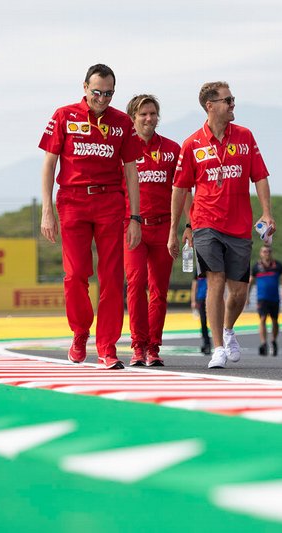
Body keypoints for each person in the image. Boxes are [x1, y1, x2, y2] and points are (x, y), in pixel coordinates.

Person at [39, 64, 143, 370]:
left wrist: (134, 217)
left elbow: (131, 171)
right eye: (97, 92)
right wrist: (47, 210)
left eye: (108, 93)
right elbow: (49, 164)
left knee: (112, 278)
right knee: (75, 275)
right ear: (85, 87)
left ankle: (107, 347)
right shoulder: (64, 115)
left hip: (110, 201)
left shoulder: (122, 122)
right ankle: (80, 331)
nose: (102, 98)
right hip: (71, 201)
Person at [168, 81, 275, 369]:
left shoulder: (245, 136)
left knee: (239, 291)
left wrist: (266, 213)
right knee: (214, 281)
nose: (232, 105)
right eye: (227, 100)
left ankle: (228, 330)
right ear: (210, 106)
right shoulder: (192, 144)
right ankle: (217, 347)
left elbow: (260, 177)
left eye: (232, 99)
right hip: (205, 223)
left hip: (239, 226)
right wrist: (175, 230)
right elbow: (180, 189)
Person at [123, 94, 180, 367]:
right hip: (133, 228)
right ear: (132, 117)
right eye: (143, 114)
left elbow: (183, 191)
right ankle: (137, 346)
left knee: (159, 290)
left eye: (153, 113)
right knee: (135, 285)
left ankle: (153, 347)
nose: (149, 118)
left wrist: (186, 226)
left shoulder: (172, 149)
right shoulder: (123, 150)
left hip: (164, 227)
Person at [247, 244, 282, 356]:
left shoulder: (277, 265)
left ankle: (273, 340)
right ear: (261, 253)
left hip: (274, 297)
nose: (266, 253)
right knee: (262, 319)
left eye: (268, 251)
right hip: (262, 298)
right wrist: (247, 296)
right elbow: (251, 282)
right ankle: (263, 343)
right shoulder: (256, 267)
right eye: (264, 251)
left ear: (271, 253)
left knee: (275, 320)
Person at [191, 272, 211, 354]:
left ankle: (221, 343)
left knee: (216, 321)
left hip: (211, 298)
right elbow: (194, 287)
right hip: (201, 299)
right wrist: (193, 301)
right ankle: (206, 343)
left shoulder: (213, 267)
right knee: (203, 322)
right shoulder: (198, 271)